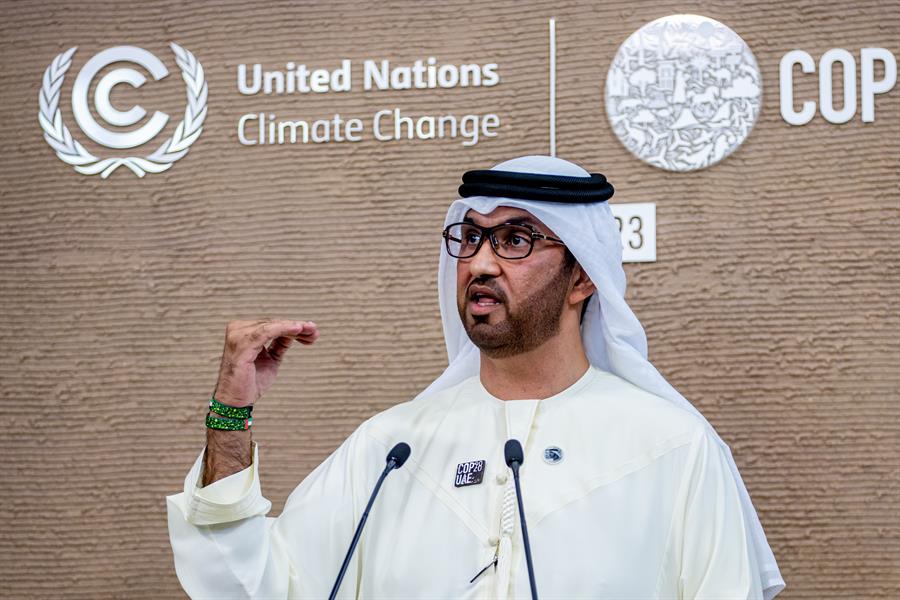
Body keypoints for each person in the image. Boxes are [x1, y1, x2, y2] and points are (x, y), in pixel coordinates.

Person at [167, 155, 785, 599]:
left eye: (516, 239)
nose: (481, 262)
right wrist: (231, 414)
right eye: (471, 238)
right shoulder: (391, 449)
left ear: (582, 276)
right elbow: (249, 586)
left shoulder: (672, 448)